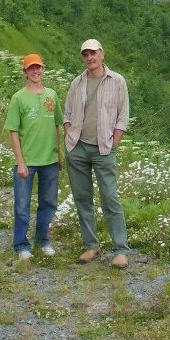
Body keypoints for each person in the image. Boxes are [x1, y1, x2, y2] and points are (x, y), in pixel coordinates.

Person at [63, 39, 130, 268]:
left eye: (93, 53)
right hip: (78, 148)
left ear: (102, 53)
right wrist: (69, 138)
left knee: (110, 197)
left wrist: (114, 144)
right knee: (82, 199)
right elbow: (67, 114)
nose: (89, 57)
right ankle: (90, 245)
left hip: (104, 149)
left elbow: (123, 117)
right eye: (85, 54)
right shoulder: (77, 83)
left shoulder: (117, 81)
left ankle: (120, 249)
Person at [4, 53, 63, 261]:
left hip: (50, 160)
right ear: (25, 72)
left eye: (38, 67)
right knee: (22, 206)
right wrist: (20, 161)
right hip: (27, 162)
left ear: (43, 69)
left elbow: (58, 125)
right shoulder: (18, 98)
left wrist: (59, 154)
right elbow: (13, 130)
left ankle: (42, 240)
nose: (35, 71)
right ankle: (21, 244)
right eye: (31, 68)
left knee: (48, 204)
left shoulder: (52, 95)